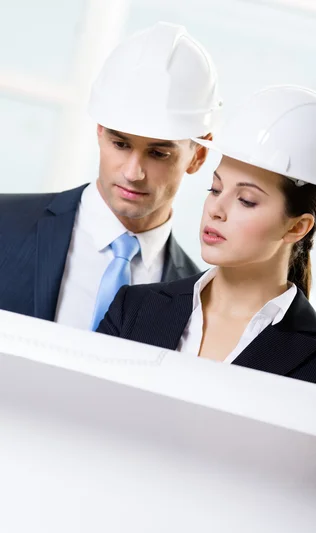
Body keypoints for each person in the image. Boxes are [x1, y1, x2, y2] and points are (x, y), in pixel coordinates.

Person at [96, 85, 316, 533]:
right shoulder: (135, 311)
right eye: (215, 189)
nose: (216, 210)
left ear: (297, 228)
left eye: (246, 200)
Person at [0, 22, 222, 330]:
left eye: (158, 153)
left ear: (197, 156)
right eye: (121, 144)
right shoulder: (4, 224)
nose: (133, 173)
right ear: (100, 131)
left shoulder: (201, 301)